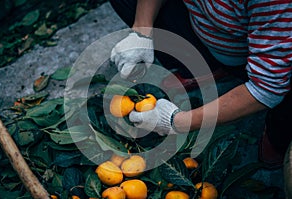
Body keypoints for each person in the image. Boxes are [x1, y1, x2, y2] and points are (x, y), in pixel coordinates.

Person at [109, 0, 292, 169]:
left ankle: (280, 135)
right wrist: (141, 31)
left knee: (283, 100)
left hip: (271, 57)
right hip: (210, 27)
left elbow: (267, 87)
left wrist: (177, 122)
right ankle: (210, 67)